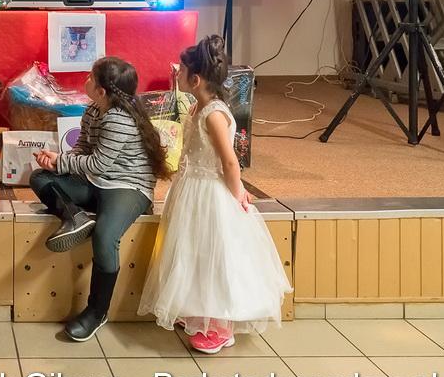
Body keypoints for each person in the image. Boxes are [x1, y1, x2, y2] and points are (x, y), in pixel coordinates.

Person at [137, 36, 291, 354]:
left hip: (210, 191)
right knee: (193, 251)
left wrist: (238, 194)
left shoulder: (214, 115)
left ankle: (220, 326)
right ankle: (199, 310)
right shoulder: (198, 106)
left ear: (196, 79)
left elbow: (229, 161)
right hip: (191, 188)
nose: (176, 73)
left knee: (214, 256)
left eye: (181, 70)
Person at [30, 57, 170, 341]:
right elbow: (82, 150)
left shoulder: (119, 118)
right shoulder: (93, 109)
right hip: (96, 182)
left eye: (90, 78)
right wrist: (57, 163)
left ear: (102, 90)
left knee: (105, 236)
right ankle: (75, 217)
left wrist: (60, 162)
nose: (86, 80)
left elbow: (97, 165)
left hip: (127, 187)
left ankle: (97, 311)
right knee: (39, 178)